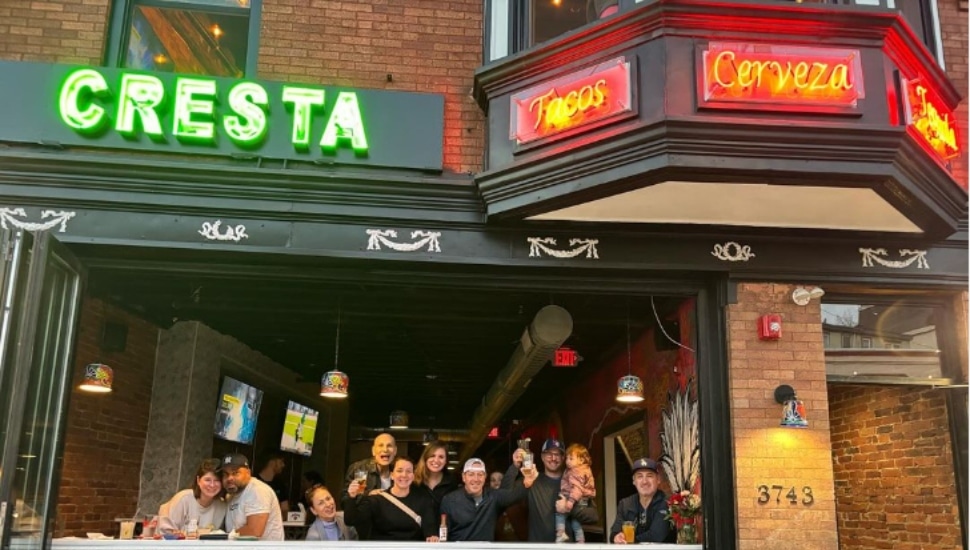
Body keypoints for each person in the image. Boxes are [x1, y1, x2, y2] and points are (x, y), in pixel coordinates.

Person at [503, 438, 598, 542]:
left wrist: (568, 508)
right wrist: (515, 466)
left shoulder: (575, 483)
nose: (553, 458)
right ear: (542, 457)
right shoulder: (531, 480)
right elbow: (504, 496)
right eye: (549, 454)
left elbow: (593, 516)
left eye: (558, 455)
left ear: (563, 458)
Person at [343, 456, 438, 541]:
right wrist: (351, 496)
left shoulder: (423, 500)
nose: (404, 475)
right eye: (399, 470)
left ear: (413, 476)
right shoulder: (377, 499)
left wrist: (432, 537)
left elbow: (430, 528)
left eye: (408, 471)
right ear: (392, 475)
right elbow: (351, 520)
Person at [440, 457, 526, 541]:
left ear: (485, 477)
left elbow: (513, 493)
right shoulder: (449, 500)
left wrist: (523, 474)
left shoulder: (493, 497)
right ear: (463, 477)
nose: (476, 479)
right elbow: (443, 533)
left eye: (480, 474)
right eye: (471, 474)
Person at [219, 453, 284, 540]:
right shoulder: (231, 495)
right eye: (226, 474)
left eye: (235, 473)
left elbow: (254, 531)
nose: (229, 478)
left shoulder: (257, 490)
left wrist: (223, 537)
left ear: (248, 473)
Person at [609, 458, 673, 544]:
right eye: (639, 476)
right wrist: (617, 537)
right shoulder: (625, 504)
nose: (644, 481)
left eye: (649, 476)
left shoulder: (667, 503)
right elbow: (614, 532)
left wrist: (630, 540)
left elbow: (656, 535)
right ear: (634, 481)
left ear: (658, 479)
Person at [157, 458, 227, 534]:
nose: (212, 485)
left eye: (217, 480)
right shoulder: (183, 499)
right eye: (207, 480)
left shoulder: (222, 506)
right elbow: (166, 533)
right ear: (198, 480)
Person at [556, 443, 596, 543]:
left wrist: (570, 502)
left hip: (573, 497)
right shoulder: (585, 469)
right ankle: (580, 540)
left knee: (560, 512)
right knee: (575, 520)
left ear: (581, 460)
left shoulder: (575, 471)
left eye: (571, 458)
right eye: (567, 458)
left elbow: (577, 488)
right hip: (583, 499)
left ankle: (560, 533)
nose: (567, 461)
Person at [343, 433, 397, 498]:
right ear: (373, 451)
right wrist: (369, 493)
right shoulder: (361, 470)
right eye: (380, 445)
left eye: (389, 446)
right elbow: (357, 496)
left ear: (395, 451)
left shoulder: (398, 470)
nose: (385, 449)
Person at [414, 441, 459, 516]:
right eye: (432, 456)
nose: (436, 460)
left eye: (441, 457)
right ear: (425, 458)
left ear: (446, 461)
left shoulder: (452, 483)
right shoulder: (414, 482)